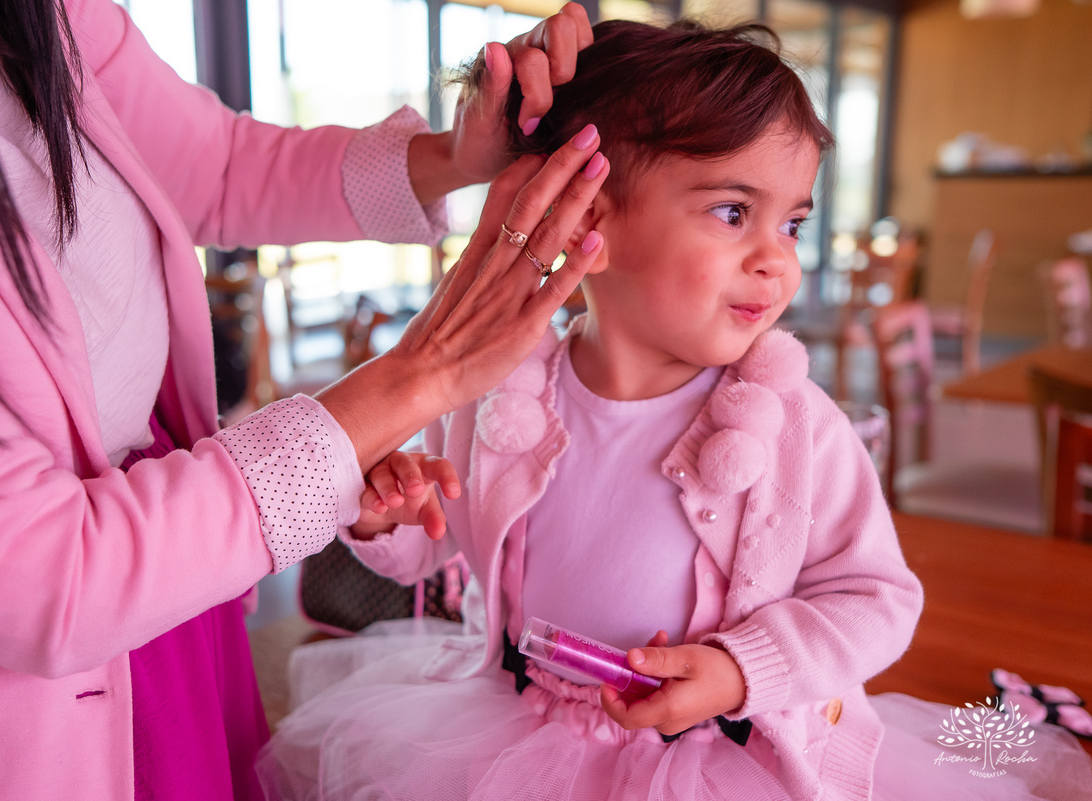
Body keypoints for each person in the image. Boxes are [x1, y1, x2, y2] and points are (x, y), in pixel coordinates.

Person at [256, 19, 1092, 801]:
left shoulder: (794, 422)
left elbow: (876, 597)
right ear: (588, 219)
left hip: (718, 756)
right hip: (520, 729)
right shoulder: (497, 391)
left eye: (792, 223)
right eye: (734, 213)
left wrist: (739, 669)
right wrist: (389, 514)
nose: (776, 260)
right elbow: (438, 554)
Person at [0, 0, 612, 799]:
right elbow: (39, 578)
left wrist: (454, 153)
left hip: (176, 578)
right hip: (27, 688)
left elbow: (217, 165)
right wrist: (416, 376)